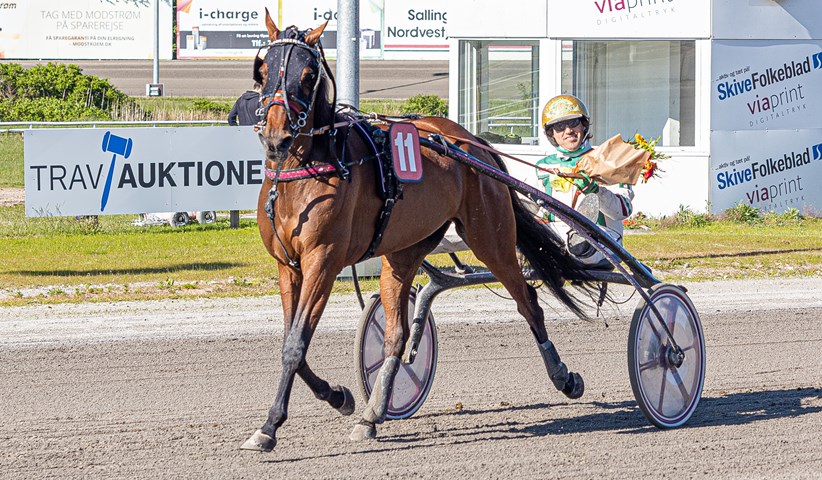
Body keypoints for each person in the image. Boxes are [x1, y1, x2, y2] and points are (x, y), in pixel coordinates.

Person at [535, 94, 634, 268]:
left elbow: (623, 211)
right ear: (551, 133)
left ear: (584, 125)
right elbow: (532, 208)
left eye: (573, 123)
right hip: (558, 234)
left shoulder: (608, 160)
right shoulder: (543, 167)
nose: (568, 131)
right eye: (559, 126)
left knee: (580, 245)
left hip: (601, 236)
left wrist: (595, 190)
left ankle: (578, 243)